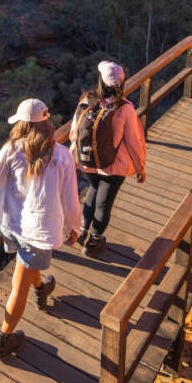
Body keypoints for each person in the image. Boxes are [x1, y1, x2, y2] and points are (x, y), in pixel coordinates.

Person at [0, 98, 81, 360]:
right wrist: (74, 227)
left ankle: (41, 288)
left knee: (26, 268)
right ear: (47, 124)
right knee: (18, 286)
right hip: (38, 233)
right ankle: (4, 339)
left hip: (12, 226)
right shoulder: (62, 156)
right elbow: (71, 199)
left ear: (22, 125)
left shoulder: (12, 149)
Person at [71, 60, 146, 256]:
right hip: (114, 165)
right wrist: (140, 168)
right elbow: (133, 142)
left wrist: (74, 157)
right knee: (104, 203)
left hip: (88, 162)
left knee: (93, 190)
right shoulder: (125, 108)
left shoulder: (86, 101)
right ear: (121, 83)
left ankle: (82, 231)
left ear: (100, 81)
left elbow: (74, 132)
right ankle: (94, 243)